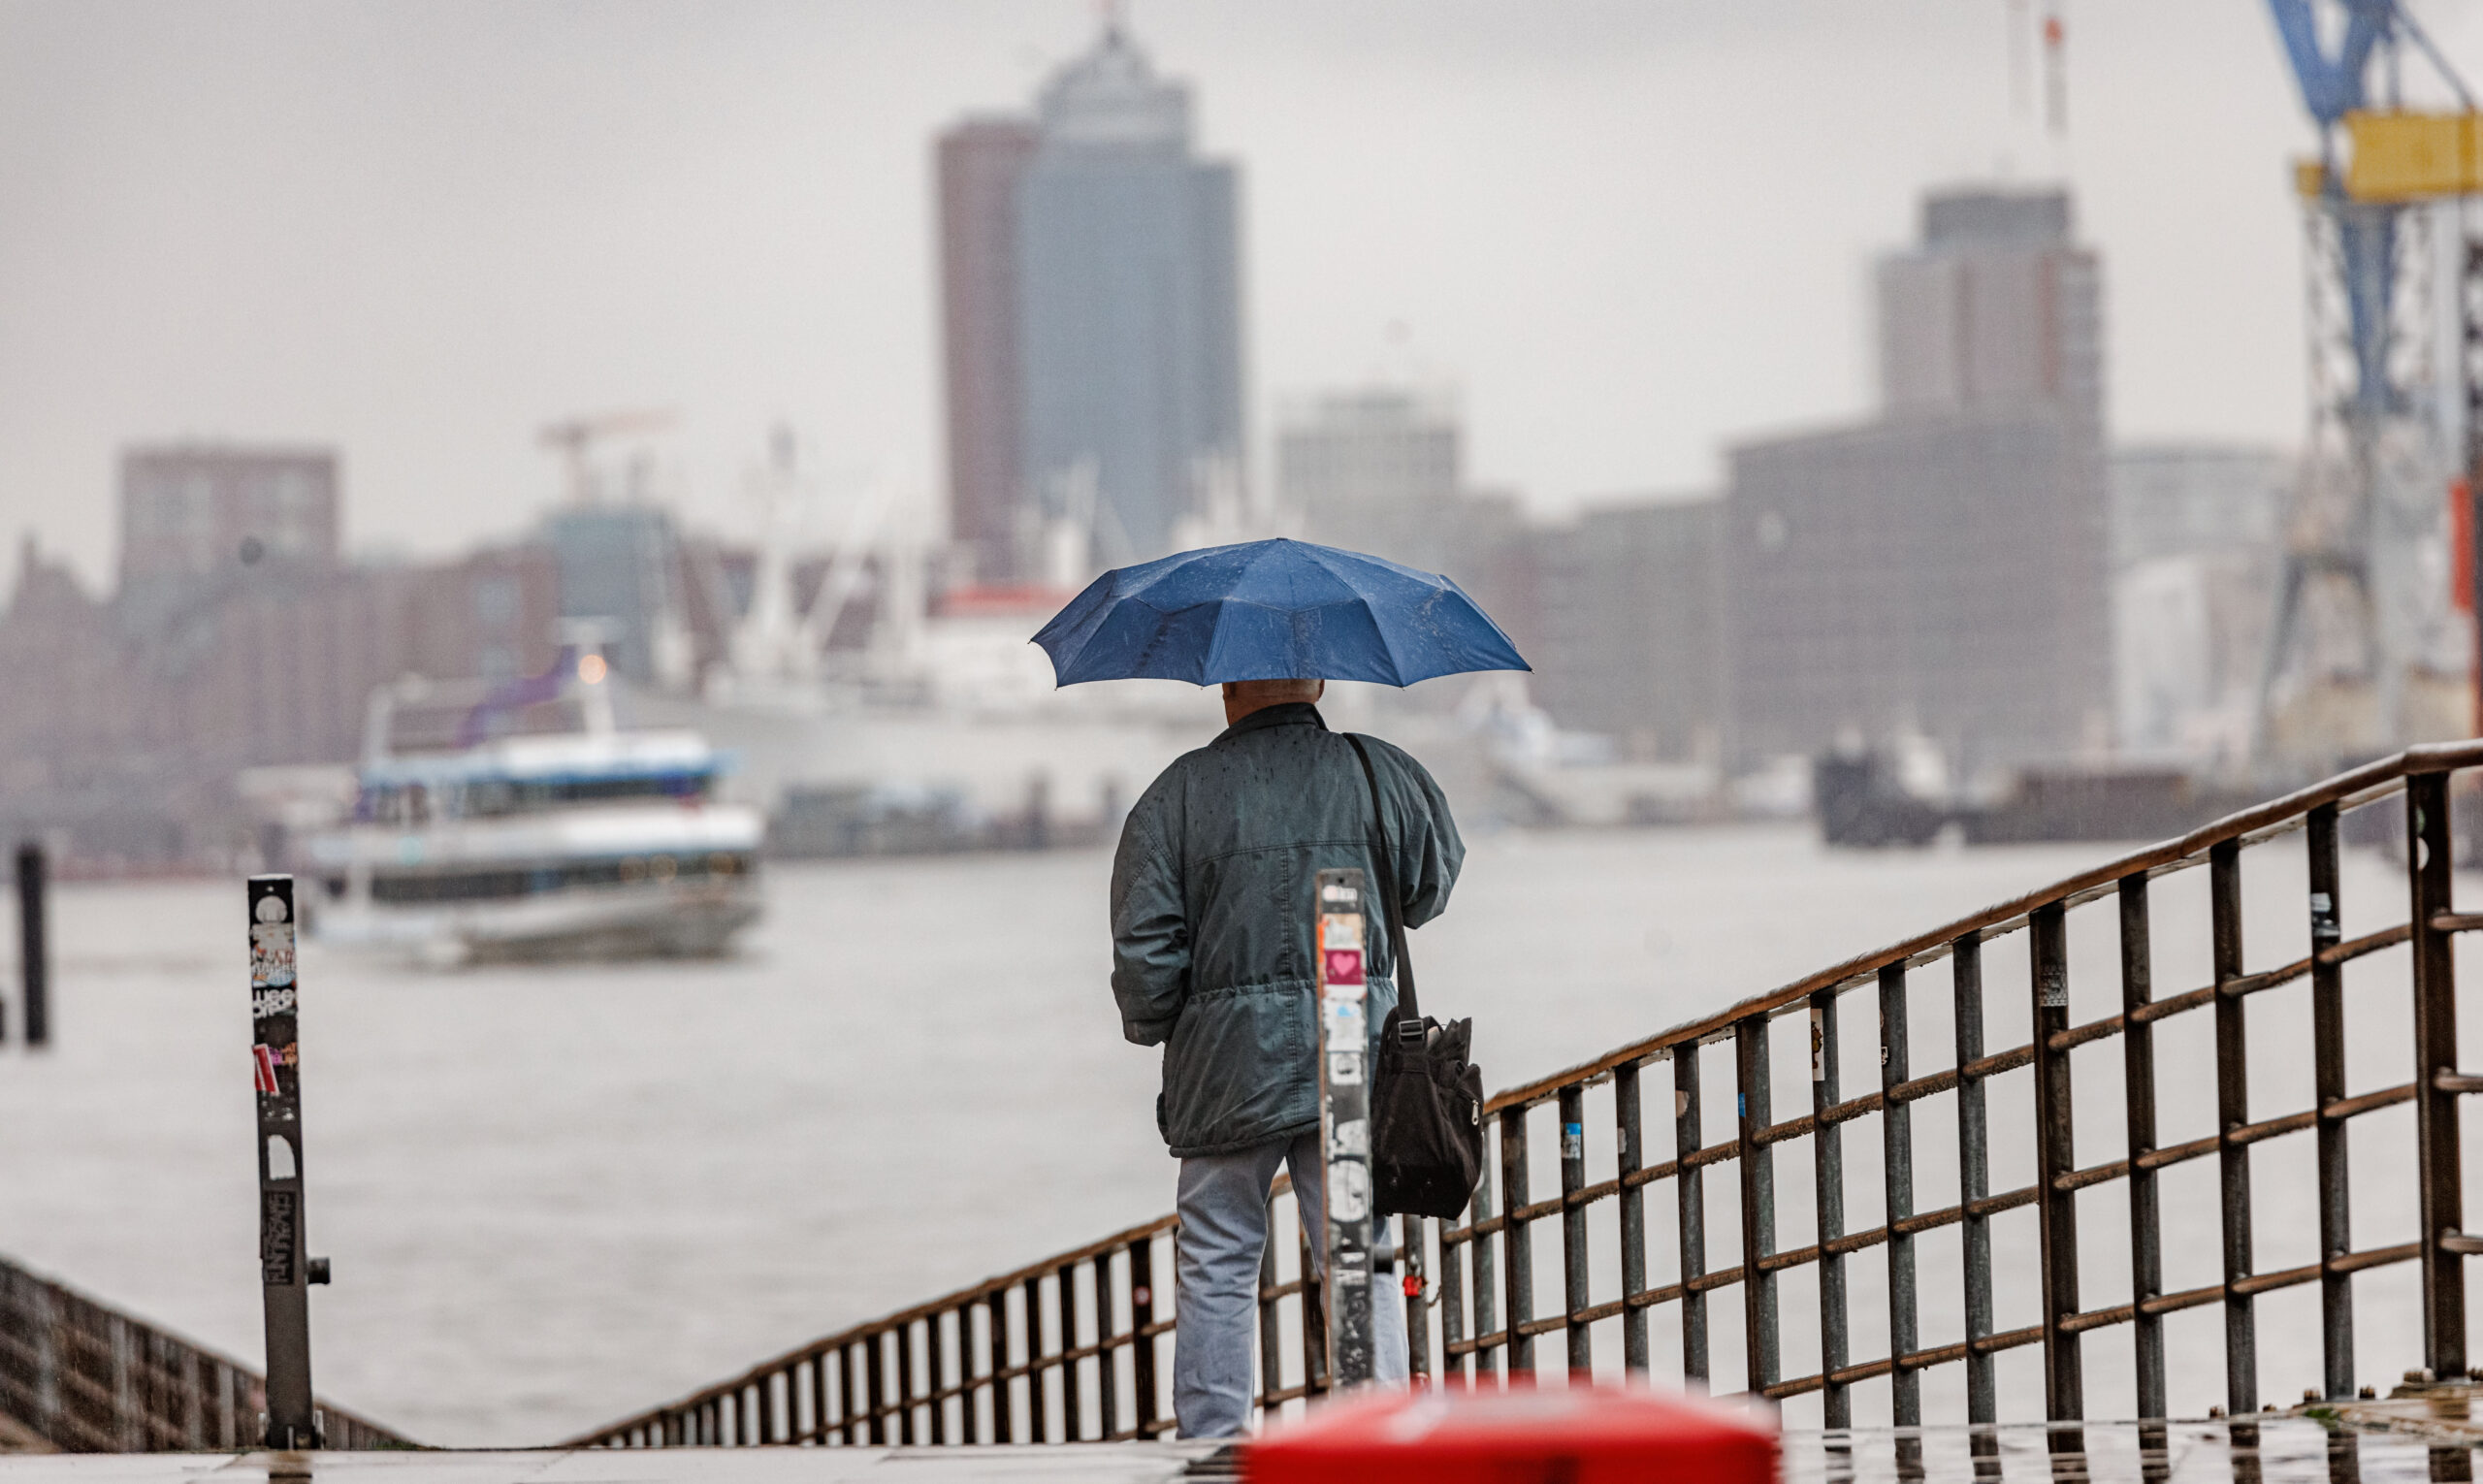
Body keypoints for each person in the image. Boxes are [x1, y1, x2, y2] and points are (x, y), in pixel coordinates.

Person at [1110, 676, 1465, 1438]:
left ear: (1228, 684)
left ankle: (1216, 1445)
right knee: (1356, 1253)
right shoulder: (1379, 772)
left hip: (1225, 1067)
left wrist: (1175, 1024)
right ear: (1322, 681)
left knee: (1218, 1256)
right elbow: (1429, 887)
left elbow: (1145, 956)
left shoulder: (1174, 798)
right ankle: (1379, 1434)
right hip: (1353, 1044)